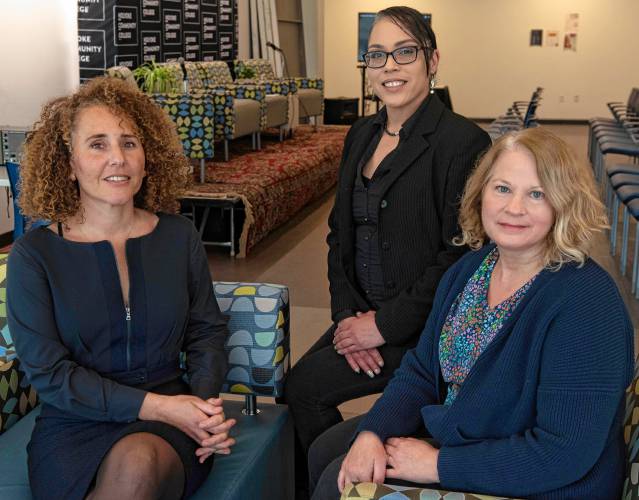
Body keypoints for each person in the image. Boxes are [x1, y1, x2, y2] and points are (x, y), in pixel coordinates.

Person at [310, 127, 634, 499]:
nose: (514, 208)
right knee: (328, 450)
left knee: (340, 486)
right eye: (502, 189)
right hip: (470, 429)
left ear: (564, 203)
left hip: (542, 482)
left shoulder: (586, 303)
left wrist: (436, 464)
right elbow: (422, 370)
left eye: (536, 194)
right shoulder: (471, 269)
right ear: (481, 193)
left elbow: (562, 453)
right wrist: (373, 431)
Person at [284, 5, 491, 492]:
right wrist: (346, 316)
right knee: (298, 389)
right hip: (361, 316)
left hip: (423, 331)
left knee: (306, 390)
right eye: (377, 55)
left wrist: (382, 325)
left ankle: (359, 483)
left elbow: (460, 257)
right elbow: (339, 233)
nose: (390, 66)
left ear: (432, 60)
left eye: (404, 52)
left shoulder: (463, 142)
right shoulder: (361, 133)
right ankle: (336, 482)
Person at [7, 77, 235, 500]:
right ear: (69, 163)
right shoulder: (34, 256)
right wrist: (163, 407)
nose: (118, 159)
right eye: (97, 144)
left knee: (138, 462)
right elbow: (52, 376)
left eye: (129, 143)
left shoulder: (179, 236)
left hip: (169, 426)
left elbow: (207, 331)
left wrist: (201, 409)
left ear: (148, 159)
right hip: (74, 424)